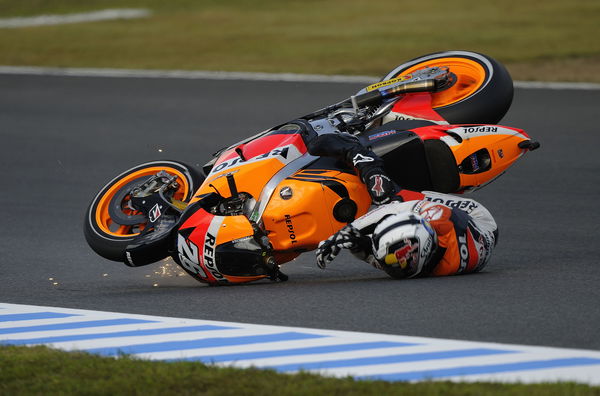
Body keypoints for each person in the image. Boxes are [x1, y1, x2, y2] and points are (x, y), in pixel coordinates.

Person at [315, 190, 498, 279]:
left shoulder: (439, 266)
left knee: (393, 202)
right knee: (399, 195)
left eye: (397, 265)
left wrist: (359, 246)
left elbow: (385, 259)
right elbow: (393, 209)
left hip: (466, 235)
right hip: (478, 217)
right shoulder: (442, 219)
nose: (395, 271)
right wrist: (349, 230)